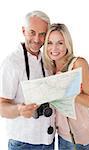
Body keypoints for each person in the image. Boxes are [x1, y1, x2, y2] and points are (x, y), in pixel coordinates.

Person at [0, 11, 56, 150]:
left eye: (42, 34)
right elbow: (1, 106)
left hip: (49, 140)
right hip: (24, 144)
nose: (37, 39)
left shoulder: (48, 59)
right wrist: (19, 110)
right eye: (32, 32)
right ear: (23, 31)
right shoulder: (11, 63)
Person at [43, 23, 89, 150]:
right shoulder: (48, 69)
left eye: (60, 43)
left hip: (81, 140)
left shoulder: (78, 64)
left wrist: (69, 92)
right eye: (50, 43)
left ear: (67, 44)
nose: (54, 48)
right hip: (62, 137)